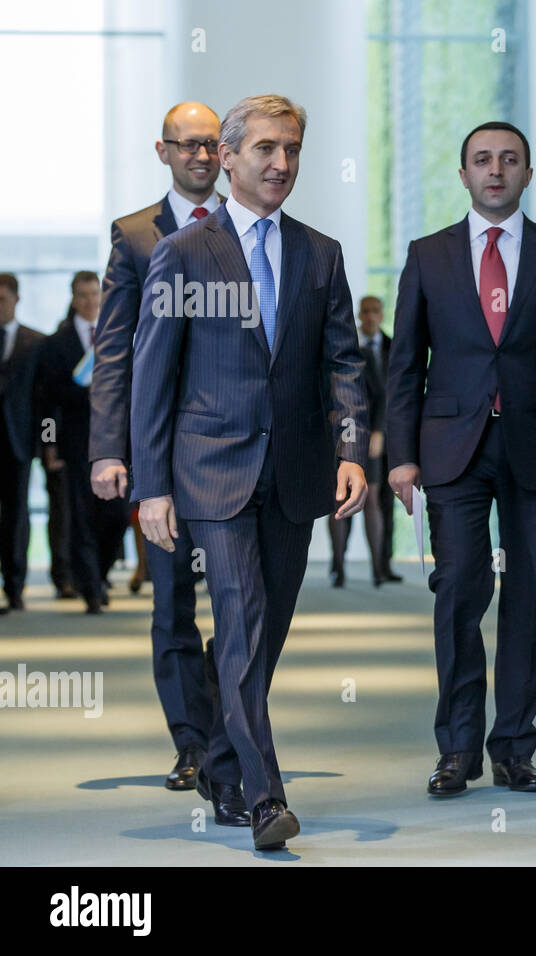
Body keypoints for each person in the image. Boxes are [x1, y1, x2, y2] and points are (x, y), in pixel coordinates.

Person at [132, 94, 369, 851]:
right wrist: (152, 486)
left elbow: (344, 364)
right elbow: (151, 375)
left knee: (262, 636)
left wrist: (352, 451)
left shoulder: (320, 252)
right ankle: (267, 798)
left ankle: (223, 764)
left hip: (296, 474)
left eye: (293, 148)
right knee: (239, 619)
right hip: (212, 470)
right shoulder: (183, 254)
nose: (281, 163)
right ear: (227, 158)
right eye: (266, 148)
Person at [388, 121, 536, 797]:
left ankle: (514, 748)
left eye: (509, 160)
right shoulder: (428, 255)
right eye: (482, 160)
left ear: (528, 173)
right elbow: (405, 363)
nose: (495, 170)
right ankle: (458, 747)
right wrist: (401, 457)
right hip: (451, 450)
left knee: (529, 597)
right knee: (461, 590)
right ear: (463, 174)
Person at [91, 101, 224, 793]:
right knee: (173, 600)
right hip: (163, 452)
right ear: (163, 150)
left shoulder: (248, 226)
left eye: (211, 144)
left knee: (240, 602)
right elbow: (114, 351)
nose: (201, 156)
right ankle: (192, 742)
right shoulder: (135, 235)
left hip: (236, 449)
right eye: (188, 145)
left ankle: (228, 728)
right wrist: (108, 450)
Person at [36, 272, 131, 614]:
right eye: (83, 295)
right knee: (80, 518)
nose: (90, 300)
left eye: (95, 294)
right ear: (74, 299)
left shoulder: (119, 337)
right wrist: (49, 446)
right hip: (74, 444)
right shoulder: (55, 343)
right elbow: (45, 402)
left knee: (117, 515)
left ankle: (99, 573)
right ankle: (90, 588)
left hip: (119, 445)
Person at [329, 302, 387, 587]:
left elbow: (381, 396)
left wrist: (377, 430)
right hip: (332, 436)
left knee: (372, 499)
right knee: (337, 500)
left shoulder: (360, 355)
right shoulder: (322, 350)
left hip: (362, 433)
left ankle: (378, 569)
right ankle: (338, 568)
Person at [0, 273, 45, 614]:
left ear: (16, 299)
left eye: (3, 299)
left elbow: (46, 402)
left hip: (19, 444)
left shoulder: (35, 342)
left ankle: (15, 587)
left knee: (17, 516)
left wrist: (49, 443)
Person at [357, 295, 402, 582]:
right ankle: (341, 565)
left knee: (388, 500)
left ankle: (384, 564)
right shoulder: (349, 346)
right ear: (359, 315)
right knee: (360, 499)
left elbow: (398, 392)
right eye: (366, 311)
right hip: (359, 433)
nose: (371, 316)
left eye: (376, 310)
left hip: (391, 435)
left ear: (382, 314)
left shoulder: (394, 347)